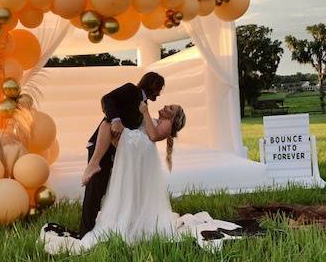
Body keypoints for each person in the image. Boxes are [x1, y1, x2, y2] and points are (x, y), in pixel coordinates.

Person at [40, 101, 242, 254]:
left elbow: (153, 136)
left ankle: (94, 163)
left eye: (169, 108)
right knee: (109, 124)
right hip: (135, 147)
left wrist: (144, 112)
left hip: (139, 150)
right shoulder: (155, 121)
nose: (164, 106)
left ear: (173, 118)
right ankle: (95, 161)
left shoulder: (165, 127)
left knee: (108, 124)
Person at [79, 72, 165, 238]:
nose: (160, 93)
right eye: (160, 88)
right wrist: (116, 119)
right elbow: (107, 99)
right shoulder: (131, 89)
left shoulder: (143, 104)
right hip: (102, 145)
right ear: (153, 85)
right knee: (95, 189)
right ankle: (84, 233)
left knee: (106, 189)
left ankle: (97, 229)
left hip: (117, 150)